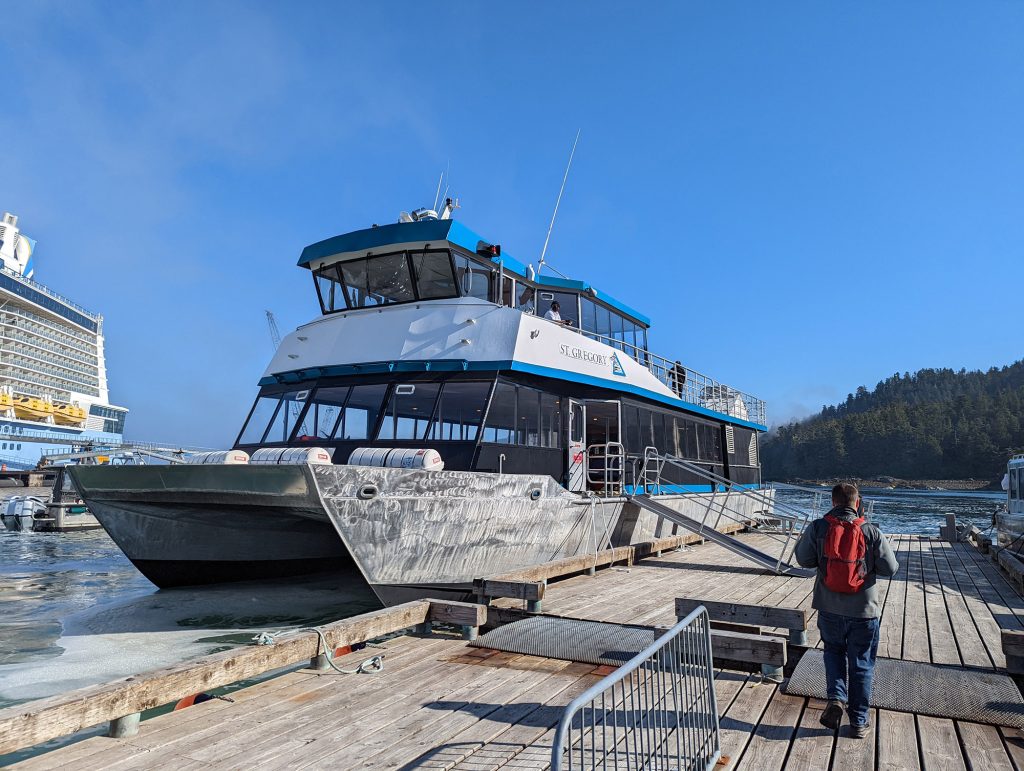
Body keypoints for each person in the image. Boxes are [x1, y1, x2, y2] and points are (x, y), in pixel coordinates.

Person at [794, 482, 899, 738]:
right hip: (863, 610)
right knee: (861, 664)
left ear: (833, 502)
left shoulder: (819, 527)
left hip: (828, 608)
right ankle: (859, 722)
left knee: (833, 653)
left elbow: (804, 559)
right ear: (857, 502)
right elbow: (891, 568)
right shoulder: (870, 531)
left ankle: (836, 699)